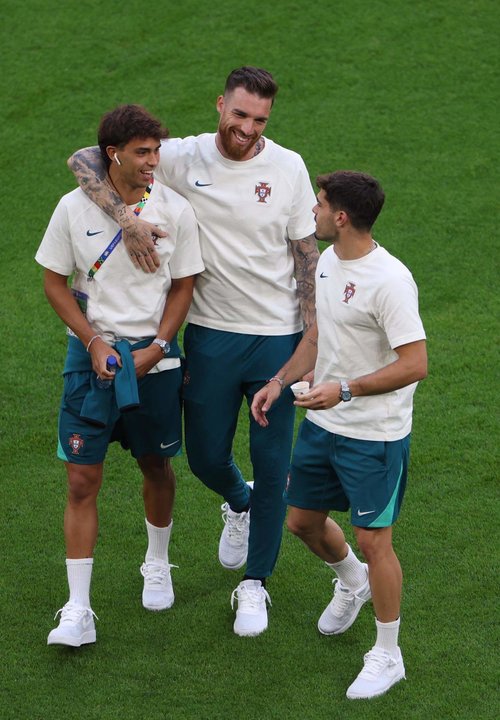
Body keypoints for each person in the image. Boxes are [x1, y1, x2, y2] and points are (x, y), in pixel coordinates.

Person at [67, 66, 320, 636]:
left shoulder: (289, 167)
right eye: (239, 115)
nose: (248, 129)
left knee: (273, 458)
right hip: (209, 334)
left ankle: (255, 583)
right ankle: (238, 500)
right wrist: (126, 218)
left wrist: (312, 342)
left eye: (259, 120)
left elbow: (306, 254)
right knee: (204, 456)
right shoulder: (182, 157)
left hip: (277, 336)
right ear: (219, 107)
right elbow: (86, 158)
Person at [251, 170, 427, 698]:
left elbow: (415, 363)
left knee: (376, 541)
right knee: (302, 521)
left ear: (342, 217)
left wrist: (345, 390)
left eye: (321, 204)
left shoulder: (390, 280)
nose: (314, 211)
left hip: (375, 435)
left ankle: (388, 654)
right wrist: (280, 381)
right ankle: (352, 583)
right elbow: (319, 334)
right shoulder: (328, 262)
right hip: (323, 424)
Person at [36, 104, 204, 647]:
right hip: (91, 363)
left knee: (156, 465)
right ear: (114, 154)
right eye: (143, 152)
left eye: (157, 150)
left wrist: (156, 348)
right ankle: (78, 609)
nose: (155, 161)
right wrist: (91, 340)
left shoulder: (175, 210)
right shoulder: (71, 208)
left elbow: (184, 286)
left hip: (153, 363)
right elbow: (55, 282)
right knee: (82, 480)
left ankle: (157, 563)